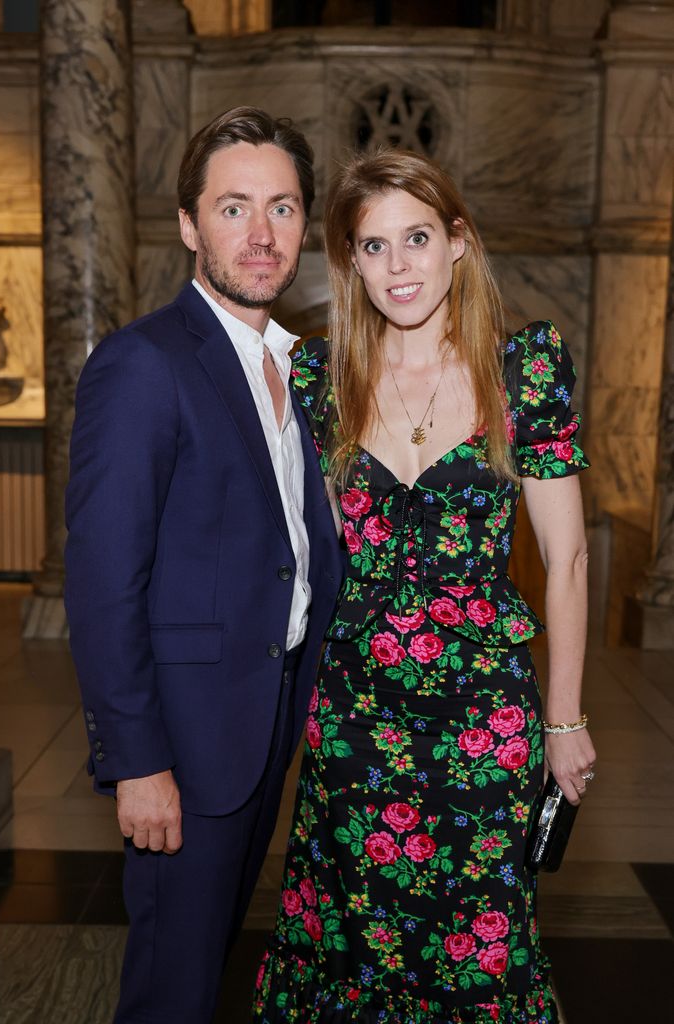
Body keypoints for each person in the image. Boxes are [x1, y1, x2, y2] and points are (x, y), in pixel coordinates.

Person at [253, 147, 596, 1023]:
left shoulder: (526, 370)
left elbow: (568, 560)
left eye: (415, 238)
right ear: (351, 262)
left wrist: (564, 721)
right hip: (354, 715)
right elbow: (308, 548)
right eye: (373, 247)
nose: (397, 266)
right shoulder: (322, 379)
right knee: (349, 935)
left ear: (458, 242)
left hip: (484, 720)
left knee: (477, 944)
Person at [64, 106, 343, 1024]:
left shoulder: (295, 369)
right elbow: (105, 583)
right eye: (232, 208)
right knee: (171, 989)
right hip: (182, 746)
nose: (260, 236)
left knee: (208, 960)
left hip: (261, 727)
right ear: (189, 224)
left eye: (282, 208)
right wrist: (137, 761)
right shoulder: (144, 363)